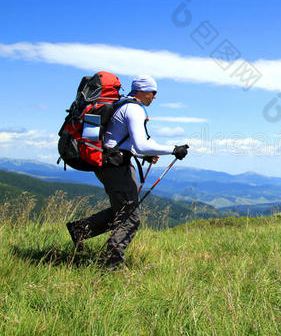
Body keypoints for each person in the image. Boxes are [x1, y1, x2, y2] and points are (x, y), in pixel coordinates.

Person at [66, 75, 189, 269]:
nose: (154, 97)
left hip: (107, 164)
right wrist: (173, 149)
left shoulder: (122, 105)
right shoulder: (134, 109)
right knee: (130, 217)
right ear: (142, 90)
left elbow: (117, 140)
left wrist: (146, 156)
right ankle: (112, 266)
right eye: (153, 92)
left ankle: (80, 230)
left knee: (121, 210)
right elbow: (141, 145)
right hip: (116, 167)